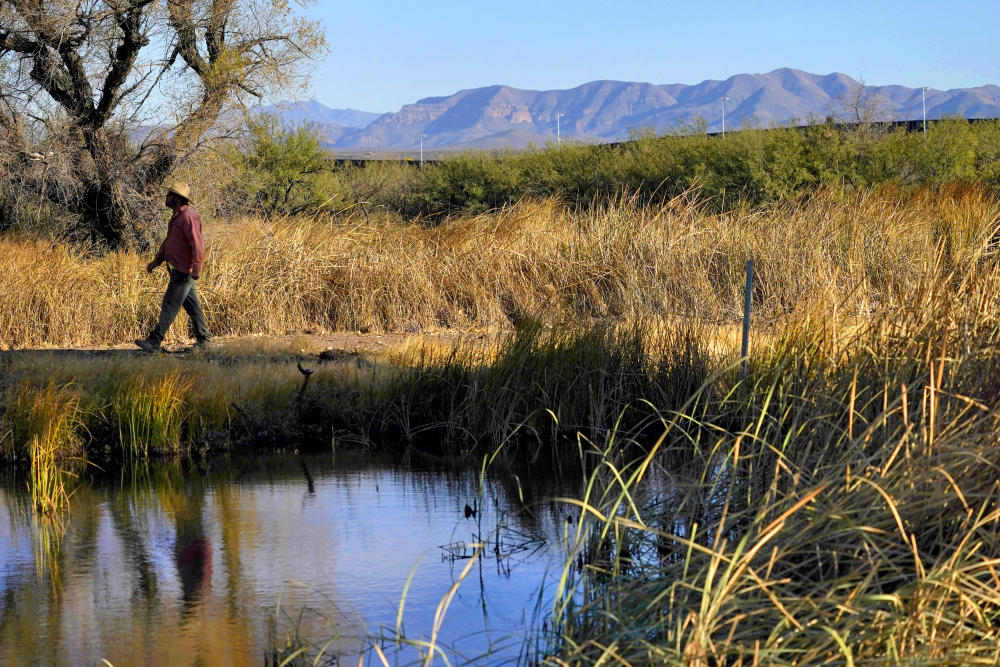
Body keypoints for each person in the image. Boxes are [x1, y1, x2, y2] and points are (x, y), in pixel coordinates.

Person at [135, 182, 211, 352]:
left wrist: (197, 267)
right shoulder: (177, 216)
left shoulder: (189, 217)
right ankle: (204, 341)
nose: (166, 197)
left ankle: (154, 341)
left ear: (176, 198)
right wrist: (157, 261)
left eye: (169, 195)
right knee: (193, 307)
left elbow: (197, 245)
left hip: (184, 271)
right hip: (179, 269)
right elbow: (169, 242)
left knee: (169, 304)